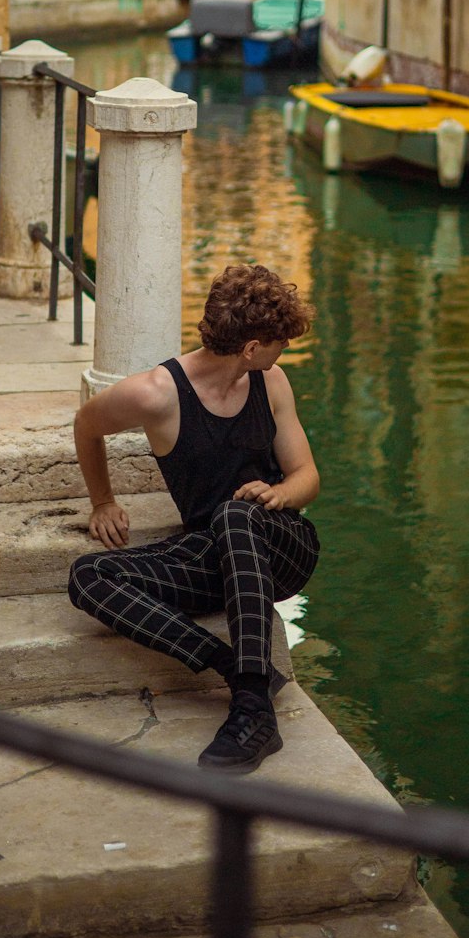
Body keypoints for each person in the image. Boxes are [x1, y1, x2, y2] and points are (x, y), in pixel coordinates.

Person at [68, 263, 320, 774]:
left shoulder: (271, 384)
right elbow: (86, 423)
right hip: (213, 553)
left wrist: (275, 494)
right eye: (279, 343)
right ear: (251, 347)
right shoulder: (156, 393)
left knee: (237, 514)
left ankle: (252, 711)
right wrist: (102, 501)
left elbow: (307, 478)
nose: (283, 352)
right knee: (88, 576)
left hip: (282, 545)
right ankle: (236, 668)